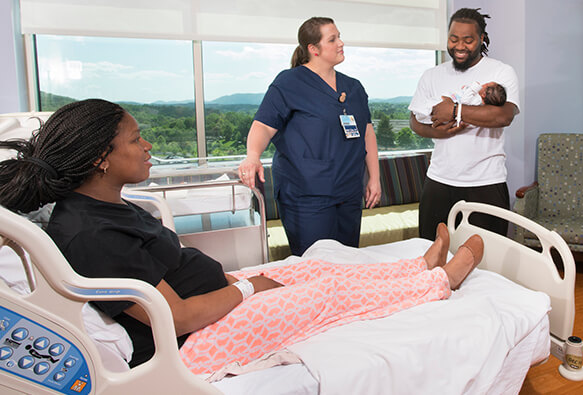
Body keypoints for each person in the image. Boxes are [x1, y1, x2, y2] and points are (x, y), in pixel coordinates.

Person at [0, 99, 484, 374]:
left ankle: (417, 265)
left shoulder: (102, 205)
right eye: (136, 139)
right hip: (189, 339)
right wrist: (248, 288)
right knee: (328, 293)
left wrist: (229, 279)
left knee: (313, 267)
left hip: (207, 296)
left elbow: (167, 273)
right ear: (100, 158)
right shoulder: (89, 230)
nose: (148, 145)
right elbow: (178, 315)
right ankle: (439, 282)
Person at [237, 17, 380, 256]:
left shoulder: (353, 87)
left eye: (339, 36)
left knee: (349, 263)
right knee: (315, 266)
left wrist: (374, 178)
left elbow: (367, 133)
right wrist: (252, 156)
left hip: (349, 193)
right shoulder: (289, 83)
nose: (341, 43)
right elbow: (263, 125)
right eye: (332, 39)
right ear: (313, 49)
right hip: (307, 196)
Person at [408, 8, 520, 240]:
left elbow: (503, 116)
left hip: (486, 182)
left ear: (481, 39)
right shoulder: (432, 75)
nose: (460, 46)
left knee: (486, 260)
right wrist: (439, 132)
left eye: (468, 40)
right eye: (453, 39)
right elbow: (414, 122)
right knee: (432, 251)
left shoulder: (500, 72)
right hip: (438, 180)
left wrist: (455, 110)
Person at [411, 81, 507, 126]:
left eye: (485, 85)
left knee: (431, 108)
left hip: (448, 107)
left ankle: (421, 111)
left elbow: (464, 101)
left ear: (484, 94)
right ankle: (421, 112)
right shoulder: (478, 102)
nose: (482, 84)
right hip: (450, 106)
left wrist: (473, 88)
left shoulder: (477, 100)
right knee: (430, 108)